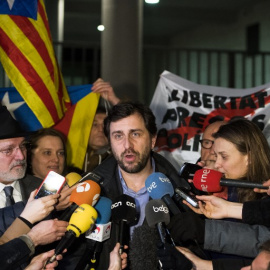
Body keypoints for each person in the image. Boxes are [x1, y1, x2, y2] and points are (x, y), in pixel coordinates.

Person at [83, 101, 190, 269]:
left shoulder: (182, 194)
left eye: (136, 134)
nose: (127, 146)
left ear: (153, 139)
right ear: (110, 143)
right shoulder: (90, 193)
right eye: (118, 136)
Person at [168, 118, 270, 269]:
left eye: (224, 156)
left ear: (249, 157)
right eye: (216, 156)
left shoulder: (264, 195)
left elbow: (260, 251)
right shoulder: (224, 188)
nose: (217, 164)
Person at [83, 107, 112, 172]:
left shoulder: (118, 158)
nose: (100, 129)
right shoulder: (75, 156)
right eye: (95, 124)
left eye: (105, 125)